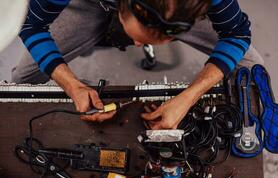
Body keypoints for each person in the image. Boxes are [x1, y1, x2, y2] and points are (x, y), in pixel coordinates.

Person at [12, 0, 263, 129]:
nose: (134, 45)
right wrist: (70, 83)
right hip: (90, 4)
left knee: (252, 66)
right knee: (22, 80)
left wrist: (189, 97)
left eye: (147, 41)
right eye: (135, 37)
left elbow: (237, 34)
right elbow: (28, 24)